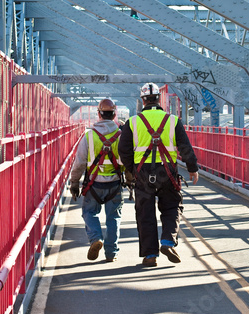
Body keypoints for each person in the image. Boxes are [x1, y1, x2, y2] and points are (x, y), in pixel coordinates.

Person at [118, 82, 199, 267]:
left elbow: (123, 150)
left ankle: (150, 255)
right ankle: (168, 241)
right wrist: (192, 168)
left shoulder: (132, 123)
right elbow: (185, 148)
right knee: (172, 206)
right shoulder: (173, 121)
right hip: (167, 171)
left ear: (142, 100)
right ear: (159, 99)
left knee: (145, 213)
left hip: (143, 173)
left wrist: (133, 169)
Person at [70, 98, 124, 262]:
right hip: (114, 184)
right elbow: (127, 161)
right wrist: (130, 180)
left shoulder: (89, 136)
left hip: (93, 184)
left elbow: (79, 162)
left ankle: (96, 239)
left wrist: (74, 183)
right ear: (114, 114)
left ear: (99, 114)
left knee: (89, 213)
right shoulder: (121, 136)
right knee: (113, 218)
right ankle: (111, 253)